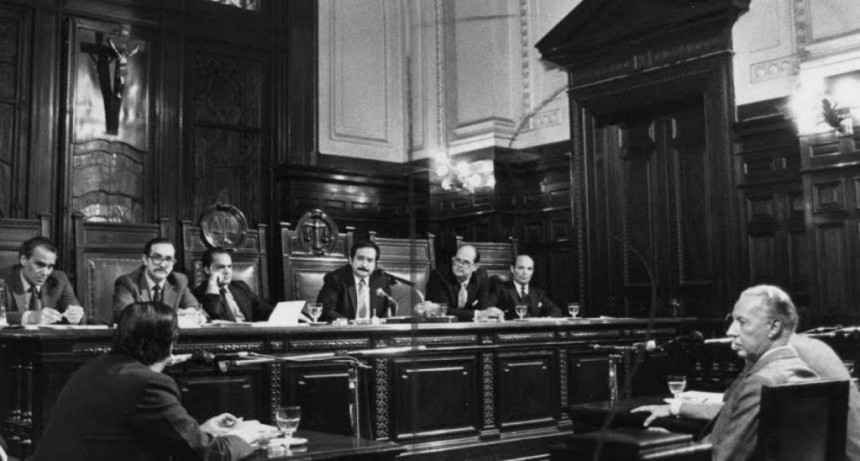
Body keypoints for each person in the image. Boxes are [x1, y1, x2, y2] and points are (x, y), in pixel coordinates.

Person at [31, 302, 265, 461]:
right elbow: (208, 455)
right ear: (170, 344)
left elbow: (128, 438)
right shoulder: (148, 384)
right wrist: (246, 435)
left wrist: (201, 431)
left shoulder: (96, 367)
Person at [631, 285, 817, 461]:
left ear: (774, 327)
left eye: (742, 322)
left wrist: (670, 448)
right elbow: (736, 412)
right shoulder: (801, 371)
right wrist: (677, 414)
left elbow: (722, 458)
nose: (730, 331)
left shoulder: (761, 382)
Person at [113, 238, 202, 324]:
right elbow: (125, 316)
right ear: (145, 259)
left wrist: (192, 313)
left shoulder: (179, 281)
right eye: (157, 258)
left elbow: (197, 310)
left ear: (173, 263)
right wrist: (172, 317)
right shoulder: (127, 283)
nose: (162, 264)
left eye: (168, 259)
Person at [0, 237, 85, 325]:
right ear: (23, 260)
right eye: (40, 265)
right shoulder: (2, 280)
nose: (45, 272)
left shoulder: (59, 279)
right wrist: (30, 317)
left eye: (50, 267)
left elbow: (78, 313)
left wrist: (76, 315)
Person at [316, 241, 391, 322]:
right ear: (351, 260)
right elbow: (325, 311)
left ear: (375, 264)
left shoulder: (381, 281)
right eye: (360, 259)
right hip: (345, 329)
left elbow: (387, 311)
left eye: (370, 260)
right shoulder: (336, 279)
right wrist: (350, 324)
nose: (364, 265)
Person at [192, 247, 272, 322]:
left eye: (229, 266)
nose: (227, 271)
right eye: (221, 267)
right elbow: (213, 316)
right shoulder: (197, 295)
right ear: (207, 270)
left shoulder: (240, 287)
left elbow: (264, 310)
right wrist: (213, 285)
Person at [425, 244, 502, 321]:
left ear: (475, 267)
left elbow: (483, 308)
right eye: (457, 260)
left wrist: (486, 313)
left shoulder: (481, 276)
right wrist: (478, 314)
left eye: (466, 262)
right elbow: (442, 311)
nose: (460, 265)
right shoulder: (438, 276)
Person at [484, 254, 562, 320]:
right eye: (521, 268)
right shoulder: (499, 289)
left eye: (529, 269)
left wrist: (544, 320)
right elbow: (486, 311)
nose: (525, 272)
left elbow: (556, 311)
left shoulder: (538, 293)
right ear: (512, 269)